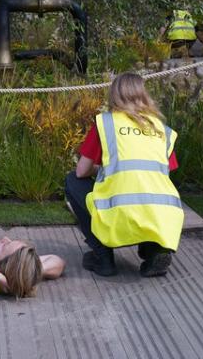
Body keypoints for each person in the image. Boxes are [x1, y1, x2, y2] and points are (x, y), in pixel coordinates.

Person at [64, 72, 184, 278]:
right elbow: (164, 171)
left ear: (114, 95)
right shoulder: (161, 129)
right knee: (145, 194)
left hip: (118, 212)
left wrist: (103, 168)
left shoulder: (106, 123)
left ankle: (103, 257)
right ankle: (155, 250)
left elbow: (82, 171)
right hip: (160, 214)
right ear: (143, 95)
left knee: (73, 181)